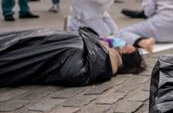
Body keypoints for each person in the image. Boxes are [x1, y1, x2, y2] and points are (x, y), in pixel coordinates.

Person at [0, 28, 146, 87]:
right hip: (43, 42)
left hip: (40, 51)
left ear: (125, 55)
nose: (123, 44)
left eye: (127, 47)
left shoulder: (98, 62)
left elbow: (72, 72)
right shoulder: (99, 54)